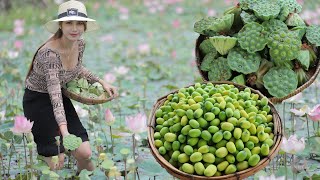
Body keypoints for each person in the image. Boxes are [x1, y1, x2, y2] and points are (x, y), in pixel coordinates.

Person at [23, 0, 118, 171]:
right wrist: (65, 132)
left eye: (79, 23)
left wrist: (101, 82)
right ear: (60, 25)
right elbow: (54, 96)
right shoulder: (49, 54)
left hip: (58, 94)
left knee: (85, 153)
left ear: (85, 26)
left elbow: (77, 68)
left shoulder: (80, 44)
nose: (75, 28)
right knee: (55, 163)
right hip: (38, 101)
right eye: (69, 23)